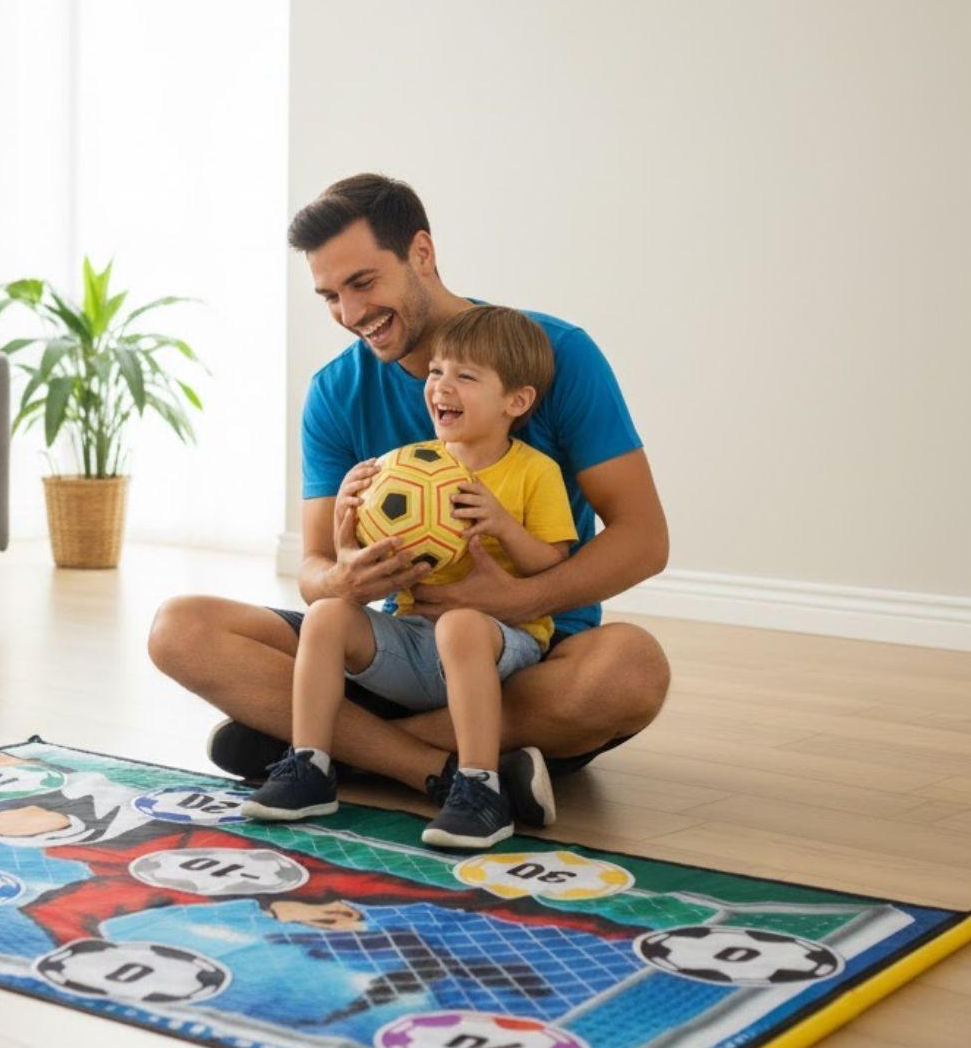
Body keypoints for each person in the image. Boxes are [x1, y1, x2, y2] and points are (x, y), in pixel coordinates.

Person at [147, 172, 670, 821]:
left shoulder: (551, 355)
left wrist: (519, 598)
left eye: (363, 283)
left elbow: (644, 539)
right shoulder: (337, 390)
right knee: (181, 630)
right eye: (329, 296)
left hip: (528, 661)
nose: (349, 314)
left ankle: (318, 742)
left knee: (633, 669)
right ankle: (445, 770)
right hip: (394, 648)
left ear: (421, 254)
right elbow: (313, 571)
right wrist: (342, 576)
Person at [240, 305, 577, 847]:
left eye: (466, 376)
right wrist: (348, 521)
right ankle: (310, 767)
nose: (442, 385)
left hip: (502, 642)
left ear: (516, 401)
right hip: (416, 639)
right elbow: (360, 561)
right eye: (438, 371)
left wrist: (503, 526)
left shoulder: (534, 471)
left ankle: (480, 787)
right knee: (327, 614)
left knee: (461, 626)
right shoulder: (403, 466)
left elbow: (553, 563)